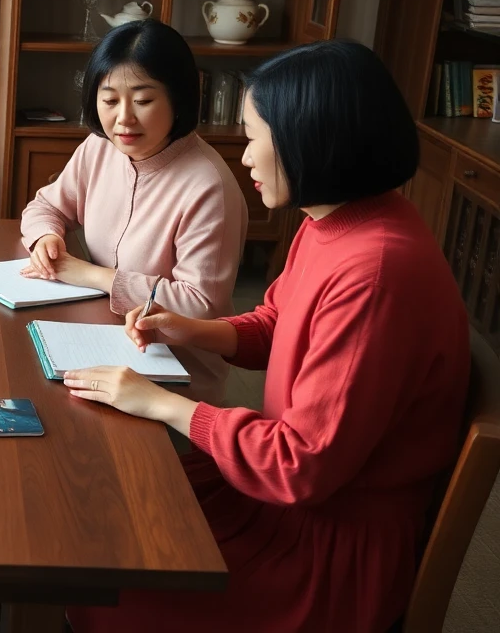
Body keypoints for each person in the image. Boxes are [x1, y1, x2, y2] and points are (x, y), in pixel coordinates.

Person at [62, 41, 470, 633]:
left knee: (104, 576)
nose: (245, 155)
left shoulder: (375, 272)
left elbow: (298, 465)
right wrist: (191, 327)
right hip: (284, 498)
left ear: (311, 137)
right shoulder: (336, 219)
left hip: (323, 549)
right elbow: (279, 324)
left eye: (255, 136)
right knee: (102, 508)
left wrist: (163, 403)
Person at [20, 19, 247, 318]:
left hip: (171, 353)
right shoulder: (99, 147)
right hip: (104, 322)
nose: (124, 118)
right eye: (110, 100)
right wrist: (47, 238)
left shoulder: (208, 186)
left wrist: (92, 275)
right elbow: (46, 206)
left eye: (143, 100)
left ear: (178, 99)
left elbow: (200, 304)